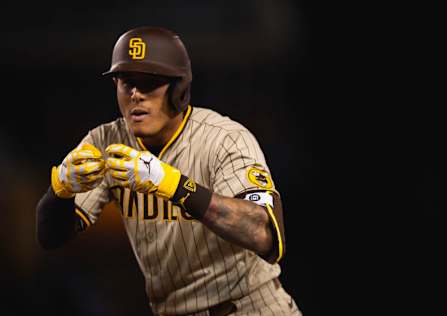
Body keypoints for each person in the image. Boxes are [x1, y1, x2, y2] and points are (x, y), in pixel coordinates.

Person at [36, 26, 301, 316]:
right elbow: (50, 237)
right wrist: (60, 190)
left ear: (179, 89)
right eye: (127, 82)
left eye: (149, 83)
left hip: (248, 308)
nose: (136, 94)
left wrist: (174, 185)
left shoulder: (223, 138)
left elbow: (264, 233)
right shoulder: (105, 141)